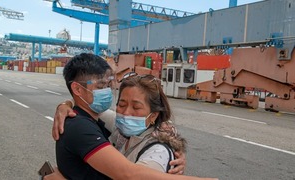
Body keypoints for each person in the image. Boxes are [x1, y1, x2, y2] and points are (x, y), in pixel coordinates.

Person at [45, 53, 217, 180]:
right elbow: (128, 174)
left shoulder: (96, 118)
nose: (125, 113)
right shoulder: (81, 126)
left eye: (109, 84)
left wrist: (172, 143)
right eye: (102, 85)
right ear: (77, 89)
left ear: (153, 115)